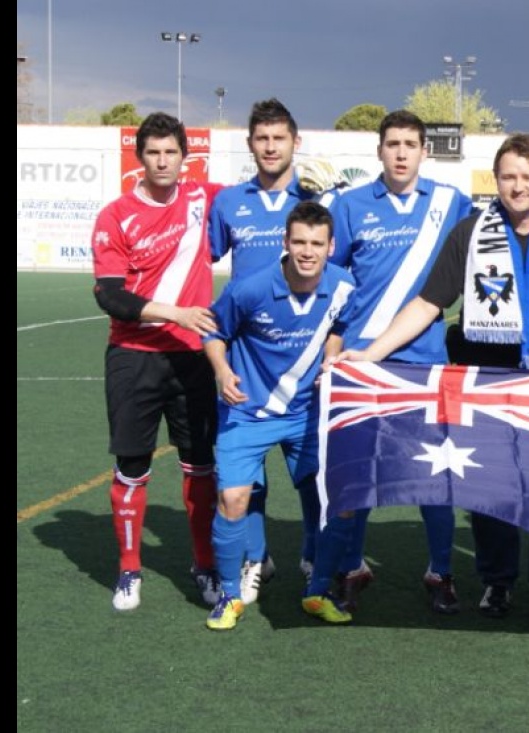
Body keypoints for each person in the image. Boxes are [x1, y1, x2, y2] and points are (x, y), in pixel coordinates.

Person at [336, 133, 529, 620]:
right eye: (508, 177)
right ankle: (497, 582)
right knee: (492, 488)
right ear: (495, 180)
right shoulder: (471, 232)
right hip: (485, 379)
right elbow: (428, 302)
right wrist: (372, 354)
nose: (517, 187)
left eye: (527, 177)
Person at [325, 110, 475, 614]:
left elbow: (489, 247)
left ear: (425, 151)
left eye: (411, 143)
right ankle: (352, 567)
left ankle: (441, 572)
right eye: (393, 144)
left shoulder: (452, 203)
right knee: (358, 473)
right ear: (379, 151)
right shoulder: (349, 206)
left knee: (435, 476)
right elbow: (332, 283)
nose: (402, 152)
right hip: (362, 365)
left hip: (427, 361)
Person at [201, 200, 359, 630]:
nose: (308, 252)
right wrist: (221, 370)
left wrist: (330, 358)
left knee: (333, 501)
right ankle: (230, 596)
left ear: (331, 247)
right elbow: (214, 331)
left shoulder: (344, 285)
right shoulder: (250, 288)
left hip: (307, 412)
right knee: (233, 498)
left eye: (317, 243)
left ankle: (317, 589)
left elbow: (339, 327)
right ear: (286, 243)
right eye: (300, 242)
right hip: (247, 411)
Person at [91, 112, 223, 612]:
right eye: (153, 153)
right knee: (132, 465)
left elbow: (262, 200)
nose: (163, 161)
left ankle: (205, 564)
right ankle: (129, 570)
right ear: (139, 158)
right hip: (134, 357)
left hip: (191, 360)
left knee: (201, 467)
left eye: (171, 152)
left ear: (184, 156)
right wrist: (178, 313)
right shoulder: (115, 215)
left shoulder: (203, 199)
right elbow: (111, 296)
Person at [208, 98, 322, 603]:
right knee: (246, 480)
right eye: (261, 138)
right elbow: (198, 260)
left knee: (312, 477)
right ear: (251, 144)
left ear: (296, 143)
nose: (270, 147)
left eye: (279, 138)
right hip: (246, 366)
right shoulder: (228, 202)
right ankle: (256, 559)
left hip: (304, 361)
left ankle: (315, 557)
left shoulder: (320, 199)